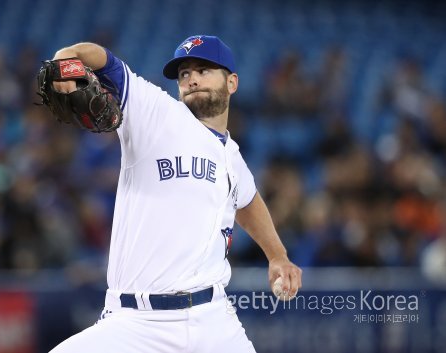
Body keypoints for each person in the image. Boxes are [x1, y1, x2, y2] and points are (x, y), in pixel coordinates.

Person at [48, 35, 302, 353]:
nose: (192, 78)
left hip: (213, 321)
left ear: (232, 82)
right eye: (184, 73)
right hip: (136, 324)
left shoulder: (232, 156)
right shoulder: (156, 114)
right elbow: (103, 60)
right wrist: (67, 58)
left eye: (203, 69)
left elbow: (248, 202)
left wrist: (277, 255)